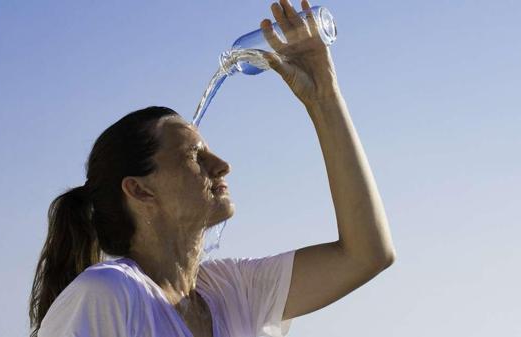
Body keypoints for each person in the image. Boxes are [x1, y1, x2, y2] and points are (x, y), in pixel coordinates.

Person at [28, 0, 396, 336]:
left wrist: (324, 97)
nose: (222, 166)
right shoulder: (110, 293)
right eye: (194, 157)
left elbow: (367, 254)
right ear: (140, 190)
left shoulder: (234, 291)